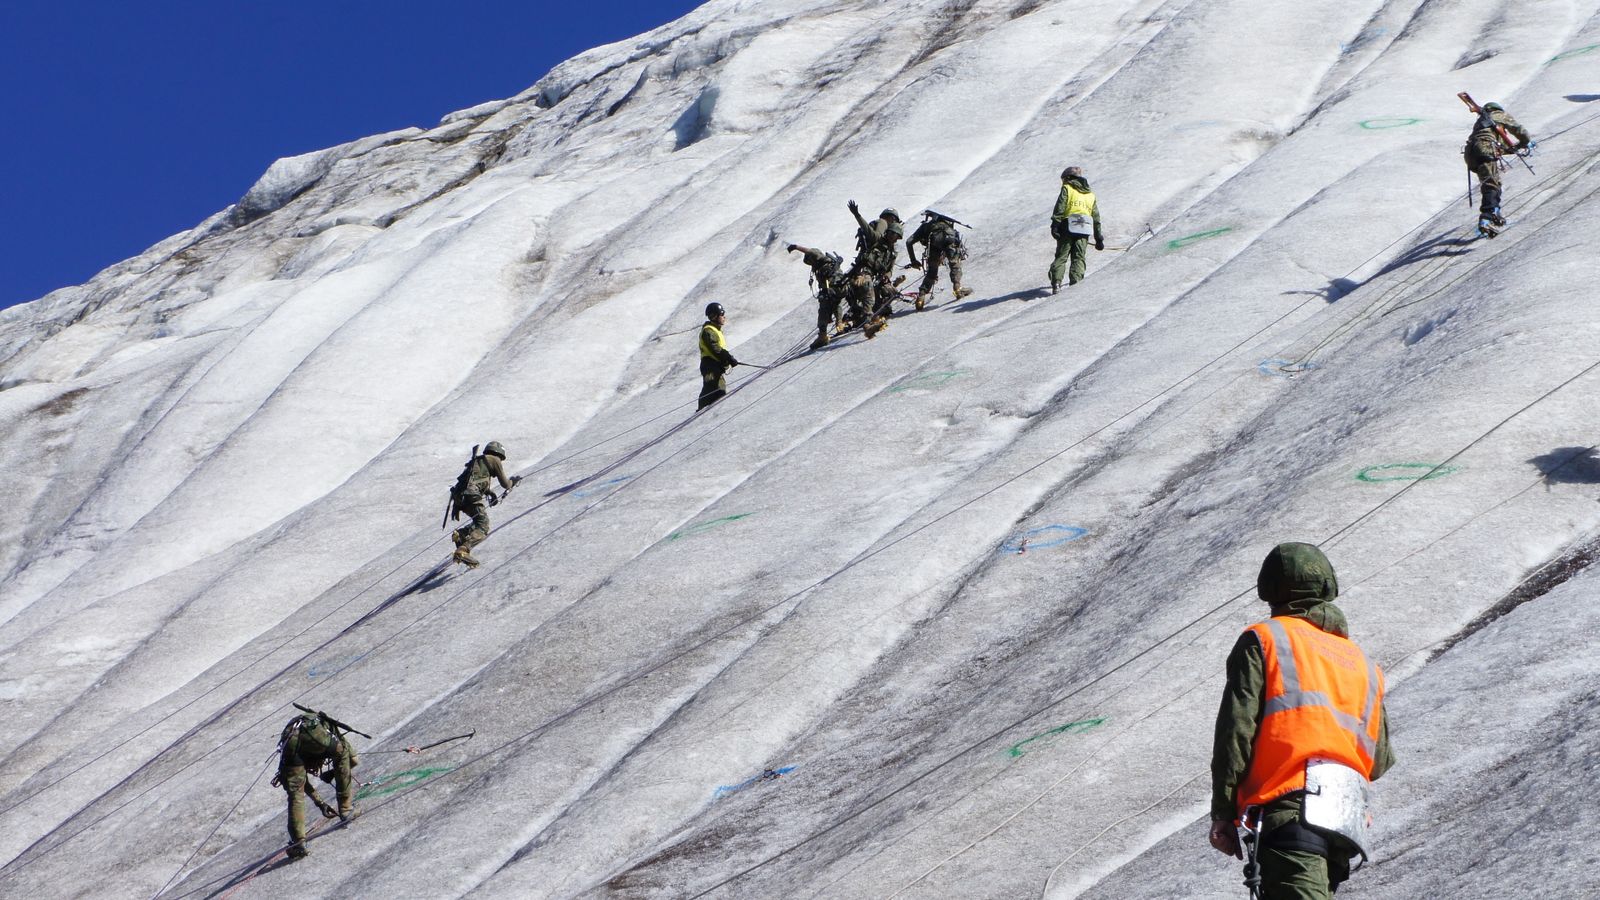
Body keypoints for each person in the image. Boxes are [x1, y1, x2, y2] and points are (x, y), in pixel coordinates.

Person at [1209, 542, 1395, 899]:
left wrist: (1224, 813)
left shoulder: (1265, 640)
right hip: (1344, 819)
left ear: (1269, 589)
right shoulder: (1363, 664)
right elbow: (1379, 761)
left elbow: (1236, 732)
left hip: (1289, 812)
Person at [274, 709, 360, 859]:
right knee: (343, 753)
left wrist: (321, 802)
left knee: (295, 795)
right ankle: (346, 809)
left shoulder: (295, 746)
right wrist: (321, 800)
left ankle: (298, 843)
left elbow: (298, 784)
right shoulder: (327, 733)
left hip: (290, 740)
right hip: (313, 735)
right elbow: (352, 760)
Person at [447, 441, 519, 568]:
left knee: (478, 520)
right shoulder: (494, 459)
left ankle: (462, 534)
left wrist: (489, 492)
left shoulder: (477, 461)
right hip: (471, 495)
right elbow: (505, 484)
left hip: (460, 497)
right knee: (483, 526)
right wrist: (513, 481)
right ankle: (463, 550)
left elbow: (475, 480)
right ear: (499, 454)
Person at [1463, 101, 1532, 232]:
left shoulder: (1481, 122)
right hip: (1485, 148)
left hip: (1471, 153)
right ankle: (1487, 217)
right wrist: (1525, 142)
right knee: (1491, 184)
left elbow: (1497, 146)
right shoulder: (1498, 115)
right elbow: (1518, 129)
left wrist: (1512, 149)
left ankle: (1495, 213)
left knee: (1492, 182)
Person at [845, 200, 903, 338]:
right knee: (869, 294)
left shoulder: (891, 252)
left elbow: (889, 269)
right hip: (864, 273)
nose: (894, 239)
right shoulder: (880, 232)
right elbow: (872, 234)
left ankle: (878, 313)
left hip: (876, 276)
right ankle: (868, 325)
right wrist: (857, 215)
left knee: (890, 291)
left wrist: (887, 276)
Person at [1047, 166, 1104, 293]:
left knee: (1062, 256)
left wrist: (1055, 225)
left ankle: (1056, 283)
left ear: (1068, 178)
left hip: (1068, 226)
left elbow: (1060, 206)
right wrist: (1098, 238)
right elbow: (1096, 217)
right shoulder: (1090, 195)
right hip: (1085, 228)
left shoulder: (1067, 188)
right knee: (1079, 257)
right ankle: (1076, 286)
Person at [905, 210, 973, 310]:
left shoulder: (925, 227)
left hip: (933, 245)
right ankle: (957, 288)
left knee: (932, 271)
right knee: (954, 264)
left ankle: (921, 297)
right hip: (950, 240)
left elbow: (909, 242)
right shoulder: (947, 225)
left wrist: (913, 260)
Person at [787, 244, 849, 349]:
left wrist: (796, 247)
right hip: (840, 290)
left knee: (823, 310)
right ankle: (840, 325)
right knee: (836, 304)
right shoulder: (830, 262)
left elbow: (810, 252)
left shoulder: (823, 266)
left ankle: (822, 336)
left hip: (831, 290)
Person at [698, 302, 740, 409]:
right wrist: (728, 358)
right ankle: (701, 415)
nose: (724, 317)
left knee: (717, 390)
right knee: (714, 389)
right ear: (714, 316)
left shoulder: (716, 330)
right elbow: (715, 348)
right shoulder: (709, 331)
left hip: (714, 366)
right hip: (709, 366)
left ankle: (705, 414)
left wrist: (726, 361)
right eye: (722, 314)